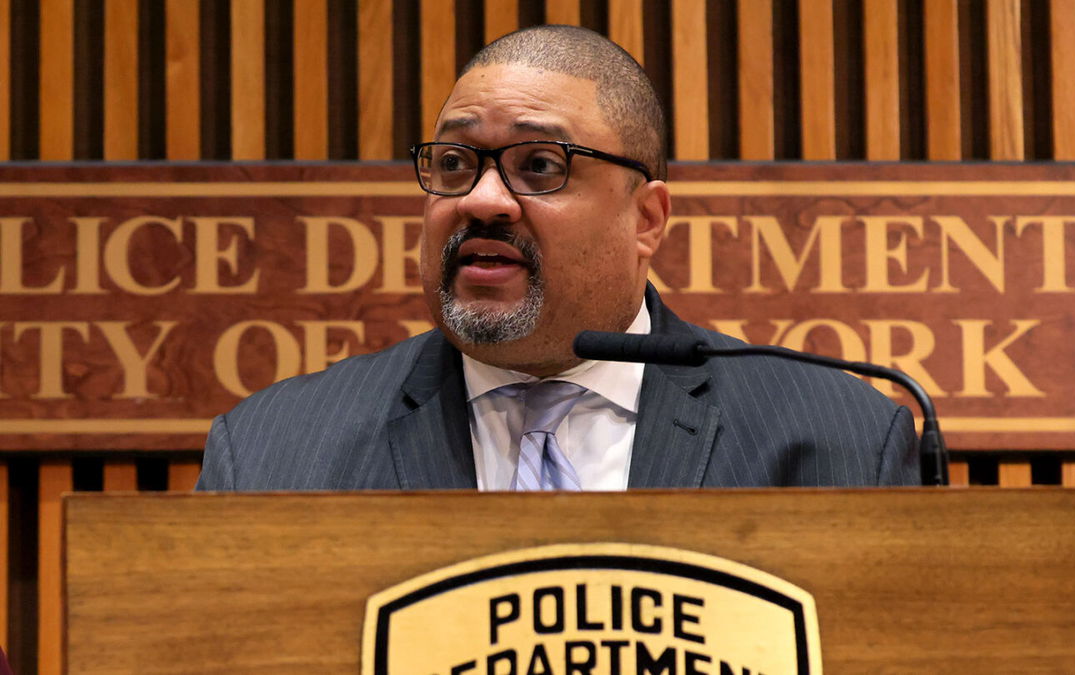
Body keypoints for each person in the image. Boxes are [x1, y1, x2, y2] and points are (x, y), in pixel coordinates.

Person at [196, 25, 918, 491]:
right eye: (454, 162)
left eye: (539, 165)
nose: (483, 199)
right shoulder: (271, 455)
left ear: (646, 217)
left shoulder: (832, 444)